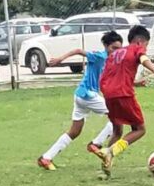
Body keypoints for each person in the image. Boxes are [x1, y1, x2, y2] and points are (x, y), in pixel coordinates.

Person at [37, 31, 123, 171]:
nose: (116, 51)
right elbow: (78, 50)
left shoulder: (112, 61)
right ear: (106, 46)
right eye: (114, 48)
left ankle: (46, 158)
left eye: (119, 49)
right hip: (88, 96)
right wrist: (60, 59)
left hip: (80, 95)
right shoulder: (99, 56)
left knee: (75, 131)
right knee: (118, 116)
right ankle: (96, 144)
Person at [98, 25, 154, 177]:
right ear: (140, 41)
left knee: (117, 131)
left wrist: (133, 83)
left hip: (108, 95)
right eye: (146, 45)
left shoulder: (114, 54)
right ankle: (110, 151)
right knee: (139, 129)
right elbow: (144, 59)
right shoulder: (136, 49)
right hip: (124, 94)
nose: (146, 49)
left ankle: (105, 168)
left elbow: (108, 76)